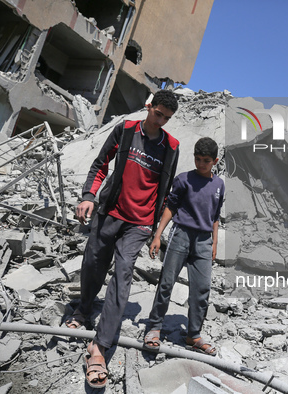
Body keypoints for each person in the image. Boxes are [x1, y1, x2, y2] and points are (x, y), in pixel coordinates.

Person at [66, 90, 180, 388]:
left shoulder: (171, 146)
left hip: (140, 223)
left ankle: (100, 347)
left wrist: (156, 229)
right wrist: (89, 196)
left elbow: (166, 188)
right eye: (158, 115)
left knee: (124, 271)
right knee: (93, 261)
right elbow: (100, 163)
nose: (161, 122)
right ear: (149, 107)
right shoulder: (126, 130)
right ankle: (84, 306)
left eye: (167, 118)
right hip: (110, 211)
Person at [143, 137, 224, 356]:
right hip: (181, 236)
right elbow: (170, 207)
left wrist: (214, 243)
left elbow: (215, 216)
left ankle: (193, 335)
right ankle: (154, 327)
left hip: (204, 242)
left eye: (205, 160)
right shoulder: (183, 180)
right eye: (197, 159)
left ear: (214, 161)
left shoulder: (219, 185)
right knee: (166, 283)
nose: (200, 164)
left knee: (201, 290)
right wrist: (158, 235)